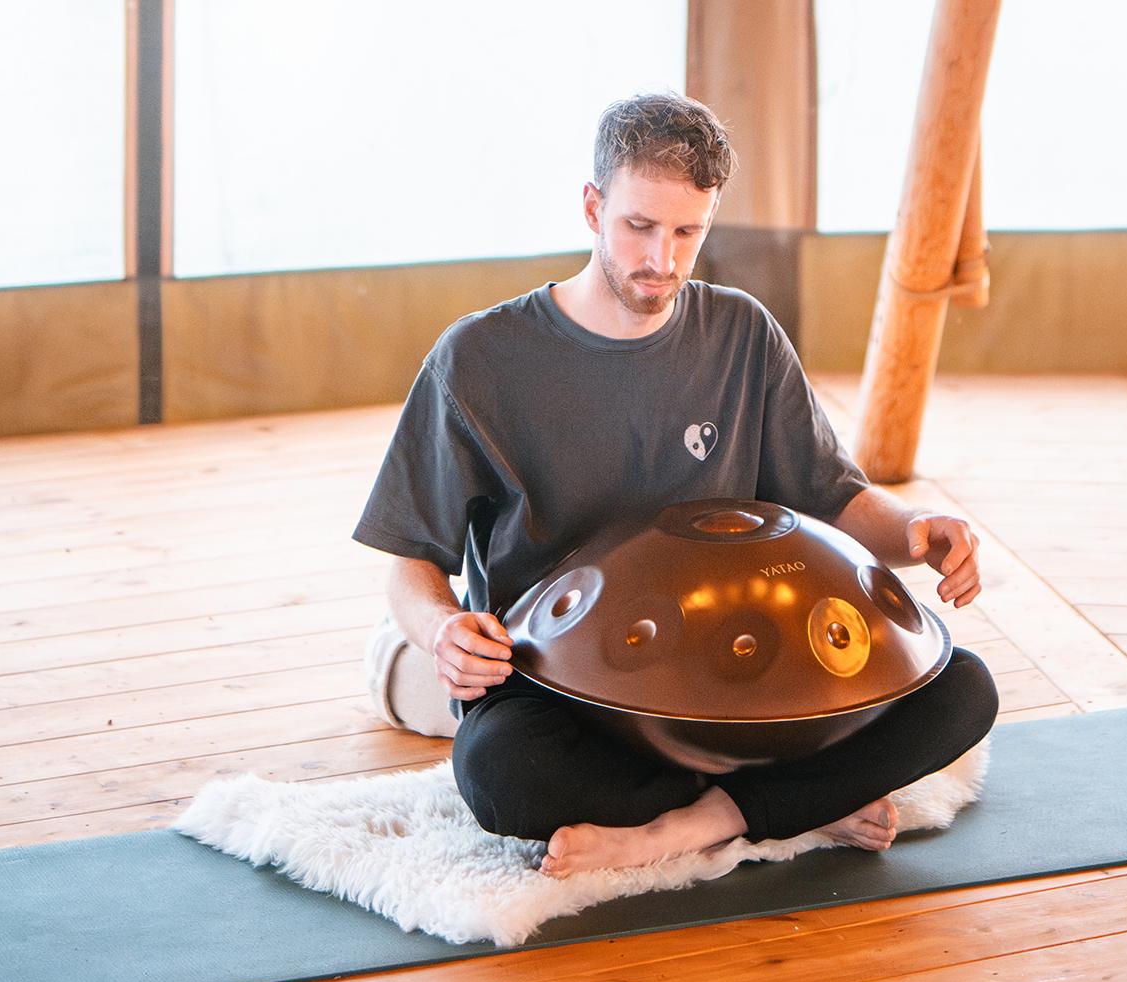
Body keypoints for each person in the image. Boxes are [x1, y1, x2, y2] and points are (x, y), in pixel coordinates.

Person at [354, 92, 998, 877]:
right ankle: (794, 802)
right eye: (639, 226)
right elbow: (409, 559)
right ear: (593, 208)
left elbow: (830, 497)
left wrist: (913, 530)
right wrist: (438, 632)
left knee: (962, 688)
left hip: (737, 693)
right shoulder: (479, 358)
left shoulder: (742, 333)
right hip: (569, 691)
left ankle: (682, 828)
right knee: (501, 775)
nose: (661, 259)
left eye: (687, 232)